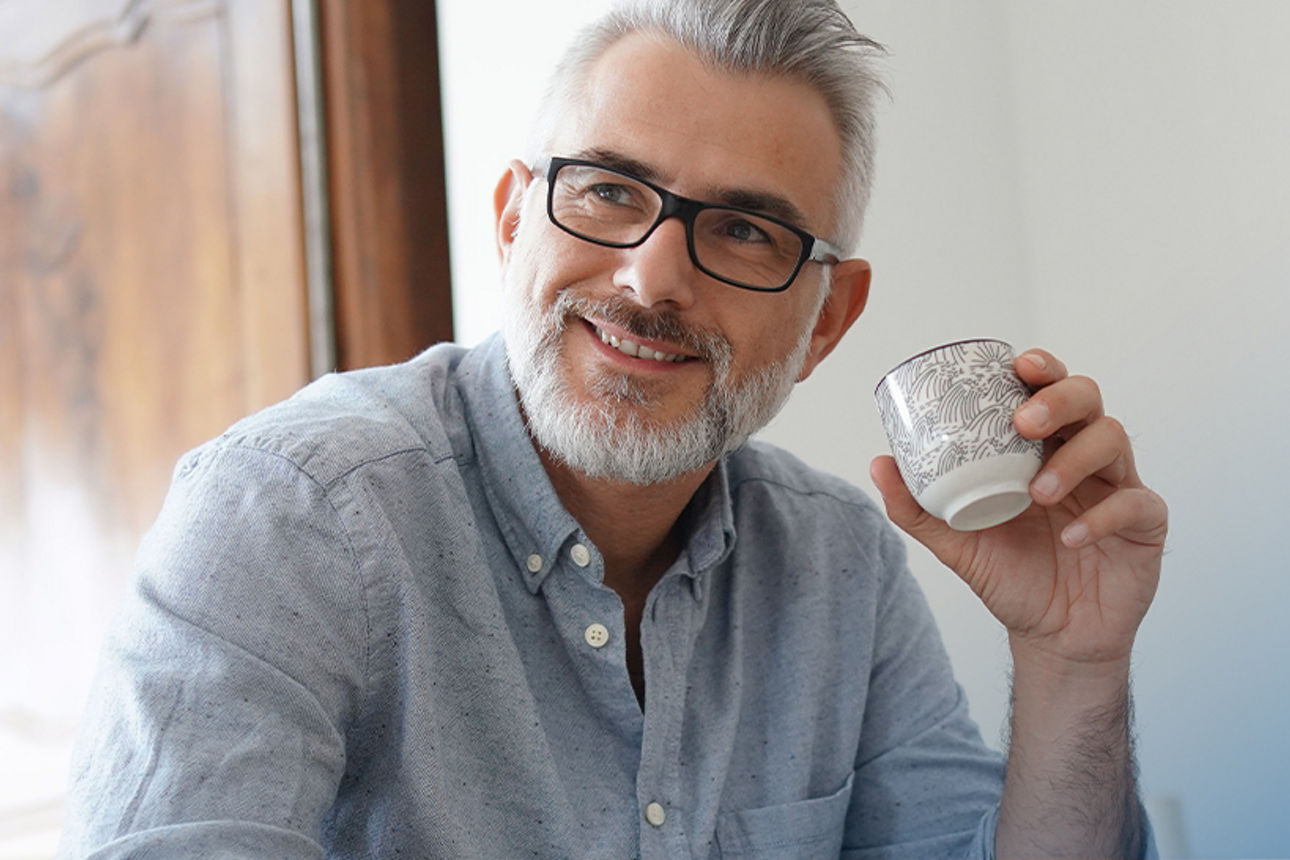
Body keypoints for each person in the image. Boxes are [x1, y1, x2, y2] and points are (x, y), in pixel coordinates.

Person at [61, 1, 1168, 857]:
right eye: (606, 192)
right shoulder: (288, 513)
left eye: (741, 230)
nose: (652, 280)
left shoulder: (843, 567)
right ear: (511, 221)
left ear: (827, 316)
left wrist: (1073, 658)